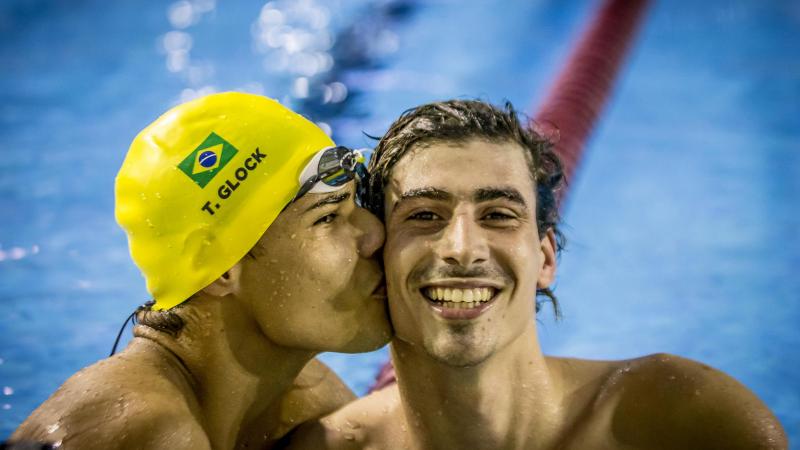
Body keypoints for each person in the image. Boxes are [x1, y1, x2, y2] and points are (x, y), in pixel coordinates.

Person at [288, 99, 788, 449]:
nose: (462, 249)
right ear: (376, 255)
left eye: (499, 215)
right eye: (424, 216)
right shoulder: (328, 446)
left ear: (545, 259)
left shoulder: (685, 422)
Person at [9, 92, 391, 449]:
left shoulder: (310, 403)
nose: (375, 233)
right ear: (221, 270)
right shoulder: (130, 428)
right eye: (327, 217)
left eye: (354, 202)